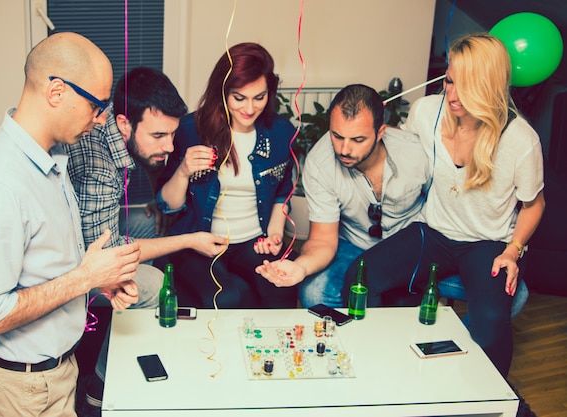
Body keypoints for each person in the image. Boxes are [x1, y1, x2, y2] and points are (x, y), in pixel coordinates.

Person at [0, 32, 142, 417]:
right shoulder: (0, 182)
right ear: (56, 92)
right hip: (20, 388)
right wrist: (84, 278)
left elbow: (43, 267)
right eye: (96, 104)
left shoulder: (51, 157)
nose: (101, 117)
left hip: (54, 373)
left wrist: (98, 281)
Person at [343, 33, 545, 378]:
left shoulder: (520, 139)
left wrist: (513, 250)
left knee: (492, 323)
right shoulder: (427, 112)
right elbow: (404, 157)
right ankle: (381, 369)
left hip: (487, 242)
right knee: (359, 279)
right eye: (449, 81)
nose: (450, 94)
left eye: (463, 86)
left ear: (488, 85)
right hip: (432, 231)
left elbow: (534, 204)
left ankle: (483, 402)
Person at [64, 66, 228, 414]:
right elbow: (108, 261)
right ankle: (100, 387)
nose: (169, 146)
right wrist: (189, 239)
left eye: (172, 134)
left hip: (91, 234)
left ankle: (122, 334)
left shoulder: (108, 122)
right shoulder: (101, 173)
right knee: (152, 284)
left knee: (146, 223)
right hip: (77, 265)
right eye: (158, 135)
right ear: (125, 123)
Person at [255, 84, 431, 308]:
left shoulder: (416, 153)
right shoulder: (320, 163)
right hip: (353, 243)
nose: (344, 149)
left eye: (358, 140)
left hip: (410, 243)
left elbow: (440, 212)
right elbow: (322, 239)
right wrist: (301, 267)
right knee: (314, 292)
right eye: (337, 136)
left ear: (380, 133)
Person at [156, 42, 297, 308]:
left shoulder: (281, 132)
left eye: (260, 97)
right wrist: (184, 171)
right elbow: (167, 205)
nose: (250, 108)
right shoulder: (190, 129)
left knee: (280, 285)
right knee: (228, 298)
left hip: (252, 243)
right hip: (199, 244)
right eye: (239, 98)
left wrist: (274, 235)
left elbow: (282, 191)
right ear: (222, 92)